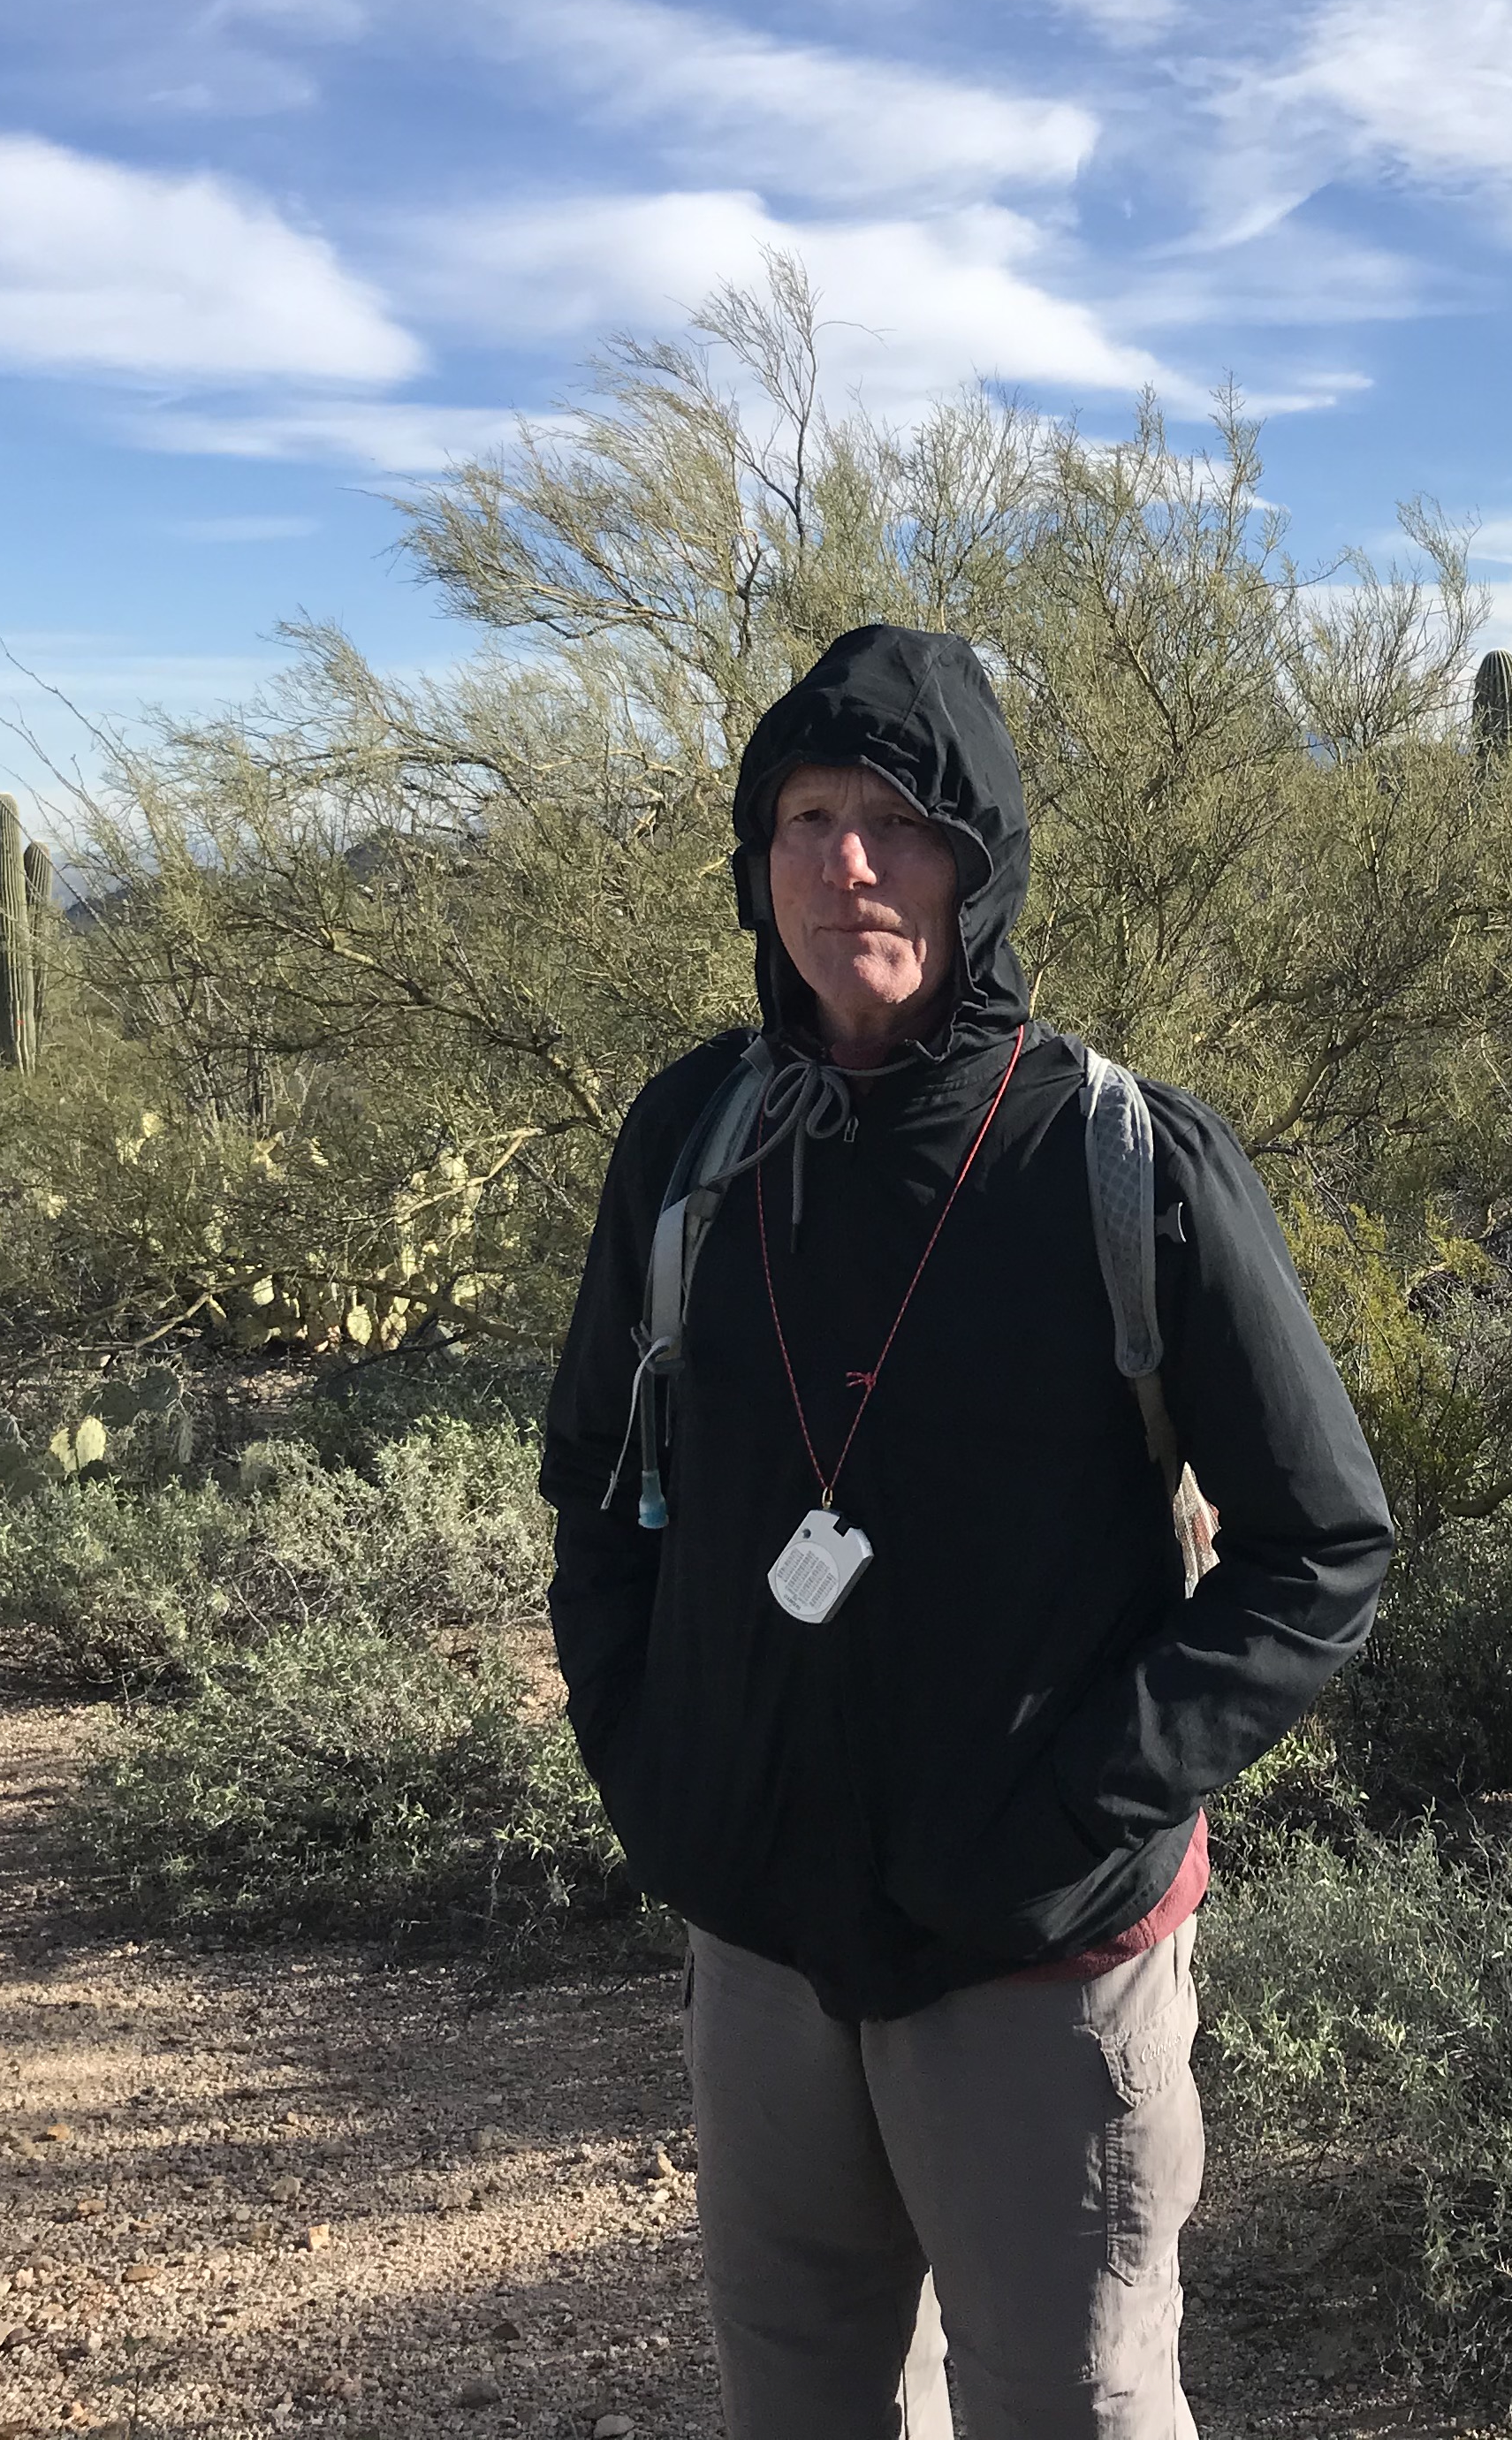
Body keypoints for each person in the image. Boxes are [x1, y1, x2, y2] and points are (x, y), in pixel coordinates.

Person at [541, 623, 1394, 2440]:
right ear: (759, 862)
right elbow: (599, 1484)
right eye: (807, 819)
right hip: (764, 1944)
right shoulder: (694, 1143)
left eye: (900, 823)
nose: (847, 863)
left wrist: (1083, 1807)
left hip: (1039, 1966)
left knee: (1073, 2408)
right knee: (801, 2406)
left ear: (979, 859)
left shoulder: (1121, 1162)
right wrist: (661, 1776)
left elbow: (1320, 1547)